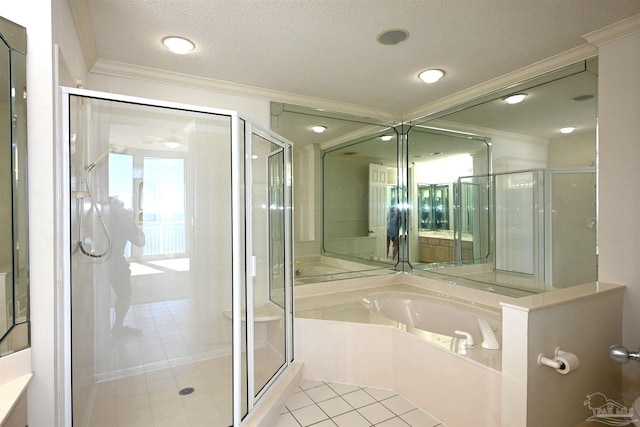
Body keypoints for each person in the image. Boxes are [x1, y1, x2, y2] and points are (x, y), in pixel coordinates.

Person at [104, 196, 146, 335]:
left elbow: (141, 242)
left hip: (117, 265)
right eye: (118, 206)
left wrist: (130, 223)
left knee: (125, 295)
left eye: (121, 206)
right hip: (101, 266)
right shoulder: (102, 221)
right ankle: (102, 333)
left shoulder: (123, 224)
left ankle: (118, 327)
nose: (121, 209)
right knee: (102, 299)